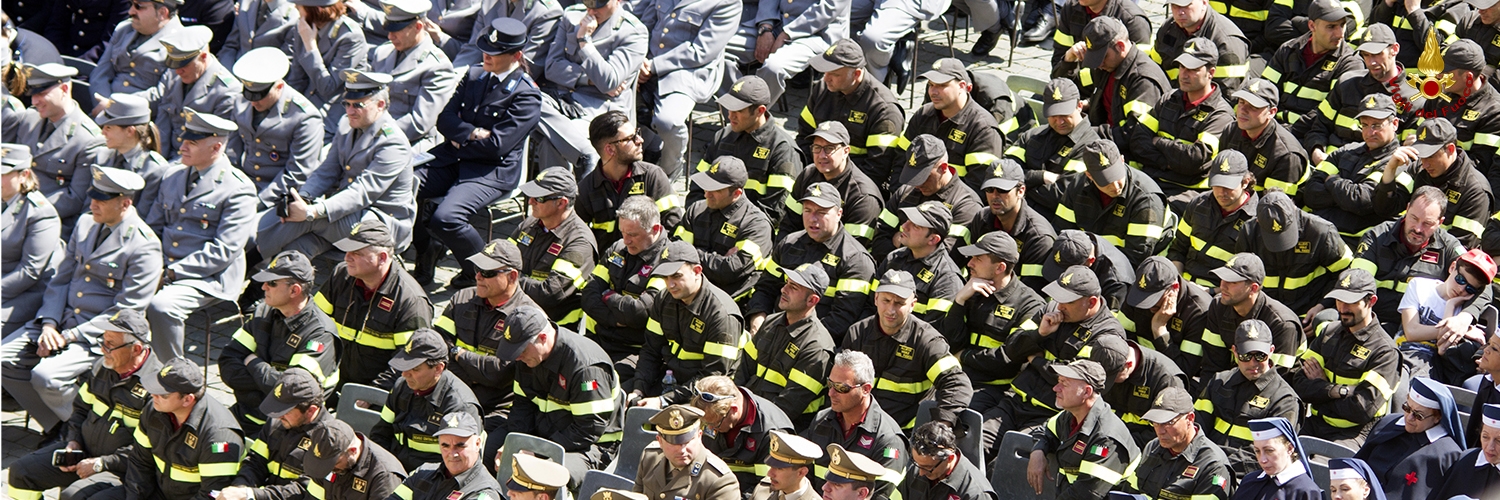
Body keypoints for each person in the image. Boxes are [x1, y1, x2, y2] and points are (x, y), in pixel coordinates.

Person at [0, 166, 161, 440]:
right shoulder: (87, 223)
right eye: (93, 197)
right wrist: (50, 323)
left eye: (102, 200)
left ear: (125, 203)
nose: (93, 204)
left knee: (47, 378)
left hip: (100, 335)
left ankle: (85, 431)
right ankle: (57, 425)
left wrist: (70, 335)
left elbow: (127, 311)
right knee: (4, 360)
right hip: (60, 322)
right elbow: (61, 280)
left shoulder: (144, 246)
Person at [418, 18, 543, 287]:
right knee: (409, 184)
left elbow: (497, 145)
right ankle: (426, 253)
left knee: (447, 218)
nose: (486, 55)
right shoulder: (475, 75)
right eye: (485, 49)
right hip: (455, 158)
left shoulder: (526, 94)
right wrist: (471, 134)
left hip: (489, 170)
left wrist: (459, 139)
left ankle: (483, 270)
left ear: (516, 56)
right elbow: (445, 120)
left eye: (495, 53)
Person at [257, 69, 417, 258]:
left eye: (358, 105)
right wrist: (303, 198)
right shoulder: (346, 124)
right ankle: (265, 284)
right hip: (348, 215)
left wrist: (312, 211)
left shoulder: (392, 142)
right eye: (347, 104)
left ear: (380, 105)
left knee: (306, 220)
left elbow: (362, 192)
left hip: (380, 222)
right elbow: (327, 170)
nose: (350, 111)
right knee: (299, 246)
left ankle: (249, 254)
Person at [3, 310, 160, 500]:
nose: (103, 349)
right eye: (103, 341)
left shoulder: (157, 388)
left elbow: (147, 451)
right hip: (84, 453)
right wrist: (73, 441)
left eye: (110, 345)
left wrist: (101, 464)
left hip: (121, 468)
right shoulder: (103, 366)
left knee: (72, 496)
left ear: (136, 349)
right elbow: (80, 410)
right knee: (21, 473)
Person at [143, 108, 257, 360]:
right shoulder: (173, 175)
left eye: (191, 143)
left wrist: (172, 272)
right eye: (184, 139)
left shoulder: (238, 189)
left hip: (208, 277)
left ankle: (172, 375)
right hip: (165, 267)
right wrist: (148, 265)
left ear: (216, 148)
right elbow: (154, 228)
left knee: (162, 306)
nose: (182, 147)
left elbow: (224, 251)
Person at [492, 305, 625, 484]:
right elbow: (522, 406)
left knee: (542, 475)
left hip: (589, 447)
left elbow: (588, 430)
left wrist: (539, 451)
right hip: (546, 433)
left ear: (543, 337)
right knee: (489, 450)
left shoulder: (585, 368)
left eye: (521, 351)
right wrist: (516, 444)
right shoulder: (529, 357)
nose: (517, 358)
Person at [219, 250, 339, 429]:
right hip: (247, 413)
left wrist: (253, 364)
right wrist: (264, 390)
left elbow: (293, 392)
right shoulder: (263, 312)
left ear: (294, 290)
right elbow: (227, 362)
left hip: (288, 427)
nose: (263, 287)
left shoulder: (319, 334)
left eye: (272, 283)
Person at [95, 357, 244, 500]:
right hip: (157, 491)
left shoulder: (218, 437)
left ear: (187, 399)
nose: (153, 395)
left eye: (163, 394)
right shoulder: (154, 409)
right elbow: (140, 461)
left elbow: (211, 494)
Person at [842, 269, 972, 429]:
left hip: (904, 432)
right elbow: (841, 382)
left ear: (912, 305)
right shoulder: (857, 333)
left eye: (899, 303)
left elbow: (957, 384)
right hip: (858, 425)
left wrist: (941, 425)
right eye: (886, 300)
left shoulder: (927, 341)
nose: (890, 310)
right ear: (876, 298)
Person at [313, 220, 433, 390]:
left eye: (356, 253)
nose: (347, 257)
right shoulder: (341, 275)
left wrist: (369, 395)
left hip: (375, 390)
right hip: (329, 376)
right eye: (348, 251)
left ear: (382, 257)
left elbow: (409, 361)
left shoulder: (410, 301)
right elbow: (314, 324)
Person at [748, 184, 876, 340]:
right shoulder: (789, 243)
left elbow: (841, 320)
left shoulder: (855, 259)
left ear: (839, 214)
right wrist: (758, 321)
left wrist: (792, 339)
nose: (812, 218)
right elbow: (765, 289)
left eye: (821, 212)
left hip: (814, 344)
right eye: (807, 211)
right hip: (773, 332)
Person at [533, 0, 646, 175]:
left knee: (552, 141)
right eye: (588, 3)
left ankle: (557, 197)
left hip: (599, 108)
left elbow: (609, 81)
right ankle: (585, 154)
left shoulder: (633, 32)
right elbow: (551, 67)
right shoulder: (571, 15)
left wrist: (584, 41)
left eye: (599, 4)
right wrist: (589, 79)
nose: (592, 10)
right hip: (563, 98)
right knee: (529, 100)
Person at [1290, 268, 1399, 448]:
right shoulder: (1328, 332)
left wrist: (1320, 390)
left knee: (1324, 468)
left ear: (1371, 301)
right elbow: (1299, 384)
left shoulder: (1385, 351)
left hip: (1354, 434)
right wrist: (1339, 391)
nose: (1342, 308)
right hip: (1314, 424)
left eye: (1351, 302)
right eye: (1339, 299)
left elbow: (1361, 409)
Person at [631, 0, 738, 180]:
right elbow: (645, 26)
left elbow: (701, 51)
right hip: (647, 64)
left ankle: (668, 170)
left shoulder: (727, 3)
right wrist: (638, 60)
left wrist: (654, 65)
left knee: (668, 121)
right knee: (613, 100)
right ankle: (647, 147)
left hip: (688, 71)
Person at [434, 239, 537, 423]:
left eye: (488, 273)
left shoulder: (528, 318)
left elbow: (500, 374)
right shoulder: (461, 298)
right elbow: (437, 347)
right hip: (450, 397)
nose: (478, 277)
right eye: (477, 270)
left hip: (495, 411)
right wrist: (473, 374)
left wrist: (457, 354)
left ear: (512, 276)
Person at [629, 240, 744, 405]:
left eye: (676, 276)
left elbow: (712, 378)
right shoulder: (663, 299)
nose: (670, 284)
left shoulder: (721, 314)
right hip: (671, 379)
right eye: (665, 277)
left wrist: (662, 401)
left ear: (697, 271)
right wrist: (638, 390)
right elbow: (650, 350)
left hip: (709, 395)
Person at [1290, 25, 1420, 162]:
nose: (1371, 62)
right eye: (1366, 55)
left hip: (1371, 173)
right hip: (1327, 163)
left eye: (1377, 54)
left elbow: (1407, 150)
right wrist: (1317, 150)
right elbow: (1319, 126)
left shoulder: (1414, 100)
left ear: (1394, 49)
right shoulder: (1347, 83)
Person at [1126, 38, 1236, 200]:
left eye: (1193, 69)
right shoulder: (1168, 99)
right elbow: (1138, 141)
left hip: (1187, 190)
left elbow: (1194, 160)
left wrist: (1159, 142)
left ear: (1211, 73)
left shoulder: (1220, 115)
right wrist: (1167, 163)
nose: (1184, 74)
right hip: (1153, 177)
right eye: (1182, 66)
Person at [1194, 320, 1303, 477]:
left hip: (1247, 475)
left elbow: (1270, 455)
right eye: (1246, 356)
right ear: (1234, 352)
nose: (1253, 363)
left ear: (1271, 351)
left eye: (1260, 355)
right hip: (1206, 464)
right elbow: (1197, 427)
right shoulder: (1219, 381)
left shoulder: (1285, 399)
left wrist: (1217, 463)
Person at [118, 25, 242, 159]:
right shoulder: (173, 76)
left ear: (203, 57)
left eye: (184, 65)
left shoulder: (226, 91)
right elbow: (163, 124)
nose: (178, 71)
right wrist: (157, 160)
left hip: (195, 162)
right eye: (175, 65)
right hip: (168, 156)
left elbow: (216, 148)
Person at [578, 196, 667, 380]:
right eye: (622, 233)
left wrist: (608, 295)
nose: (626, 241)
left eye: (633, 235)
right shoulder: (617, 249)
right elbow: (588, 295)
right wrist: (615, 319)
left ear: (655, 229)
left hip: (636, 350)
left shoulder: (667, 260)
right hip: (600, 339)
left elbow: (639, 313)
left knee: (600, 381)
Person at [370, 327, 483, 471]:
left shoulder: (460, 406)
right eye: (404, 366)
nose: (405, 374)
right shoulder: (401, 387)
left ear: (438, 368)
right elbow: (381, 434)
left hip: (435, 478)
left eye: (415, 369)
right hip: (397, 468)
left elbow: (460, 464)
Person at [737, 263, 835, 428]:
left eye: (793, 287)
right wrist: (736, 403)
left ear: (812, 300)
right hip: (747, 412)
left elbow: (788, 406)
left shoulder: (817, 347)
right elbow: (743, 370)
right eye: (786, 283)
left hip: (781, 429)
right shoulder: (770, 322)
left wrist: (747, 419)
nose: (783, 289)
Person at [1353, 189, 1466, 332]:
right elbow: (1356, 285)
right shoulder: (1376, 236)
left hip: (1418, 327)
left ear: (1440, 222)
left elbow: (1481, 283)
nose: (1418, 229)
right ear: (1407, 209)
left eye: (1427, 223)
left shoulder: (1449, 247)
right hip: (1371, 318)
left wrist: (1465, 317)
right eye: (1414, 218)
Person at [1026, 359, 1140, 499]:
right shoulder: (1070, 415)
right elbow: (1046, 430)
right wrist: (1037, 452)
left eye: (1064, 384)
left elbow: (1086, 494)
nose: (1055, 388)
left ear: (1086, 392)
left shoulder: (1106, 438)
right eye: (1058, 381)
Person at [1304, 93, 1408, 245]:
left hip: (1357, 242)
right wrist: (1345, 196)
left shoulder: (1397, 162)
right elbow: (1311, 193)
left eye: (1377, 125)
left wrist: (1331, 180)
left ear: (1395, 124)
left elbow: (1361, 201)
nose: (1369, 132)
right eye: (1364, 125)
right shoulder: (1346, 150)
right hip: (1318, 232)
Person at [798, 39, 904, 189]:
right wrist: (810, 178)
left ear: (856, 74)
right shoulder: (823, 88)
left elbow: (877, 168)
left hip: (855, 188)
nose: (826, 78)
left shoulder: (884, 110)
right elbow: (804, 137)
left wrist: (833, 187)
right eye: (825, 71)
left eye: (834, 74)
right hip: (818, 177)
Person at [693, 76, 799, 226]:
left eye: (739, 110)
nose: (730, 115)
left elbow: (774, 211)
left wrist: (728, 227)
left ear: (760, 111)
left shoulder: (782, 149)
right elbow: (697, 189)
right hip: (710, 225)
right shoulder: (722, 136)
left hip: (750, 231)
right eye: (729, 108)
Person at [229, 47, 325, 212]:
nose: (253, 102)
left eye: (260, 95)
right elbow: (231, 151)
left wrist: (258, 203)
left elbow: (297, 174)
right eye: (250, 95)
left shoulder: (305, 118)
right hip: (245, 188)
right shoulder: (242, 103)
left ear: (279, 86)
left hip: (280, 198)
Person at [800, 351, 907, 498]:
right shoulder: (821, 421)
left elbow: (882, 496)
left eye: (841, 388)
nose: (831, 393)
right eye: (830, 384)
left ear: (865, 389)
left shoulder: (888, 439)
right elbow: (805, 477)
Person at [1374, 117, 1493, 249]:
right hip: (1402, 248)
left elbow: (1462, 247)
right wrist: (1390, 170)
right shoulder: (1418, 168)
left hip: (1436, 263)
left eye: (1430, 156)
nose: (1425, 164)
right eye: (1422, 155)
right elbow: (1385, 208)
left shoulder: (1475, 191)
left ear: (1451, 149)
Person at [949, 230, 1046, 393]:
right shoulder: (972, 289)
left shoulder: (1030, 305)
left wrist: (964, 357)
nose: (969, 264)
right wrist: (959, 301)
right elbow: (950, 340)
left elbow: (1007, 359)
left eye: (977, 259)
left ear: (1000, 267)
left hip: (994, 389)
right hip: (957, 378)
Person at [356, 0, 458, 152]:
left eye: (396, 31)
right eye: (388, 30)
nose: (390, 36)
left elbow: (419, 123)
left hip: (410, 143)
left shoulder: (436, 66)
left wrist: (376, 135)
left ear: (418, 27)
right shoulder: (383, 53)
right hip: (373, 134)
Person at [13, 63, 105, 229]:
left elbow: (75, 197)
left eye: (41, 93)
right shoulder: (29, 118)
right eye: (31, 94)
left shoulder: (89, 139)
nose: (34, 101)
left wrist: (26, 211)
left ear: (63, 89)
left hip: (49, 221)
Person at [1238, 189, 1353, 321]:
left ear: (1294, 211)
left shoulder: (1321, 232)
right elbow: (1242, 276)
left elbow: (1346, 273)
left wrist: (1323, 305)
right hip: (1264, 316)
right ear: (1258, 220)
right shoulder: (1248, 232)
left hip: (1308, 315)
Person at [217, 368, 332, 500]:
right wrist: (240, 488)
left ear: (311, 410)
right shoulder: (278, 421)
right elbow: (255, 461)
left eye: (286, 411)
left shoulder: (328, 440)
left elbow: (303, 490)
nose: (278, 416)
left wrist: (252, 494)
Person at [574, 111, 682, 252]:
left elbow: (673, 227)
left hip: (650, 261)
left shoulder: (653, 177)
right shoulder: (585, 190)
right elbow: (577, 238)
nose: (640, 140)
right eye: (630, 138)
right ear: (610, 149)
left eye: (638, 133)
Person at [677, 155, 775, 304]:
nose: (706, 194)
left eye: (715, 190)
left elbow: (731, 271)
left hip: (730, 304)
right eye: (706, 186)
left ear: (736, 193)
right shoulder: (696, 211)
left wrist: (692, 254)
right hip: (689, 296)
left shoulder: (757, 225)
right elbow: (675, 253)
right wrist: (718, 259)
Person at [1053, 140, 1169, 264]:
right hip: (1088, 261)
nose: (1115, 186)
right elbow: (1063, 232)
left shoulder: (1147, 199)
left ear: (1122, 160)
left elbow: (1137, 256)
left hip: (1131, 266)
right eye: (1105, 181)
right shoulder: (1077, 186)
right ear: (1089, 176)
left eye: (1117, 176)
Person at [872, 134, 984, 260]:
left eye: (924, 177)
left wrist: (901, 240)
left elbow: (946, 258)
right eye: (913, 175)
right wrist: (915, 246)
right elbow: (879, 241)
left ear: (943, 168)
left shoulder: (967, 205)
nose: (917, 184)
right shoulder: (905, 191)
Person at [899, 59, 1003, 193]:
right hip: (915, 195)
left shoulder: (983, 129)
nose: (933, 92)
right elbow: (900, 159)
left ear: (962, 86)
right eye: (931, 85)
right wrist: (900, 195)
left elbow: (977, 187)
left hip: (952, 206)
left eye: (942, 85)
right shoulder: (923, 114)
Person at [1353, 377, 1466, 500]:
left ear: (1437, 417)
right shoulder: (1387, 423)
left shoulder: (1447, 455)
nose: (1409, 417)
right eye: (1407, 408)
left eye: (1418, 415)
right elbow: (1356, 467)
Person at [512, 166, 598, 326]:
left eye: (539, 198)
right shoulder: (530, 223)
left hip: (553, 327)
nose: (531, 201)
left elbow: (550, 293)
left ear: (561, 203)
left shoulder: (579, 242)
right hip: (518, 315)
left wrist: (508, 280)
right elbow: (502, 258)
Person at [1396, 249, 1496, 384]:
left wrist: (1451, 305)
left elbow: (1443, 349)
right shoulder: (1420, 285)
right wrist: (1462, 330)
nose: (1461, 289)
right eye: (1460, 279)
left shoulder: (1463, 309)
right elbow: (1412, 332)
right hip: (1404, 352)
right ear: (1452, 267)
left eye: (1470, 289)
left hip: (1433, 366)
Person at [1059, 17, 1169, 134]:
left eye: (1102, 57)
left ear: (1120, 46)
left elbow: (1135, 134)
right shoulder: (1107, 66)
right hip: (1101, 138)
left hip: (1121, 148)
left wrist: (1086, 133)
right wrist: (1069, 60)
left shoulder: (1143, 82)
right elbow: (1069, 87)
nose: (1099, 64)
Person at [1257, 0, 1361, 123]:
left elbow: (1326, 116)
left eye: (1342, 25)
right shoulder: (1288, 49)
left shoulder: (1350, 64)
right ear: (1312, 26)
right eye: (1331, 27)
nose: (1340, 34)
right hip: (1275, 126)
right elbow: (1264, 92)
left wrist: (1288, 132)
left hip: (1308, 134)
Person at [1123, 386, 1236, 499]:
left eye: (1168, 423)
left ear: (1190, 418)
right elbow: (1130, 493)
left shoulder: (1212, 465)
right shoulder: (1153, 447)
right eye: (1155, 423)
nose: (1160, 431)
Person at [781, 121, 885, 244]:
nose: (821, 155)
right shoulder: (807, 174)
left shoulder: (863, 197)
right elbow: (788, 223)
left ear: (846, 151)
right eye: (817, 148)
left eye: (829, 149)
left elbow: (850, 249)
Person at [692, 375, 796, 494]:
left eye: (716, 423)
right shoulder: (714, 414)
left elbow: (768, 488)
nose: (709, 428)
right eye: (705, 423)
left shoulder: (772, 434)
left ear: (734, 410)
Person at [1005, 78, 1098, 211]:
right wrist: (1040, 176)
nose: (1059, 121)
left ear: (1079, 106)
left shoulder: (1090, 147)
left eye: (1064, 114)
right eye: (1053, 115)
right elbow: (1005, 170)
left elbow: (1061, 195)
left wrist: (1016, 189)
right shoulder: (1033, 135)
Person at [1170, 151, 1259, 288]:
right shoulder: (1198, 204)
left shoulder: (1255, 222)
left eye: (1228, 186)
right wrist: (1177, 282)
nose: (1221, 192)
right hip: (1183, 285)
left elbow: (1247, 281)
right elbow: (1178, 249)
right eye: (1217, 184)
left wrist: (1211, 292)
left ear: (1245, 182)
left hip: (1220, 296)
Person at [0, 144, 62, 337]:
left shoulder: (40, 213)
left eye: (3, 173)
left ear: (24, 174)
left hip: (25, 294)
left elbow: (29, 271)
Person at [869, 201, 963, 325]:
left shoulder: (947, 278)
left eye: (916, 226)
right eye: (908, 220)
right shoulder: (894, 257)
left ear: (933, 239)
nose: (904, 226)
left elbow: (934, 331)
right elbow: (870, 304)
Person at [972, 158, 1056, 291]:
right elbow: (972, 265)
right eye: (989, 189)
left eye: (1002, 190)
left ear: (1021, 191)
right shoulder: (981, 218)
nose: (994, 195)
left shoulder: (1039, 237)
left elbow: (1030, 290)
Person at [745, 0, 848, 106]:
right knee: (727, 49)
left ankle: (752, 117)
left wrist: (787, 33)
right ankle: (730, 112)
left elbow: (829, 7)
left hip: (816, 33)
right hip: (777, 24)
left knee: (773, 67)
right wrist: (766, 26)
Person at [1218, 79, 1308, 196]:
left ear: (1271, 112)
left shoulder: (1286, 155)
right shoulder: (1230, 130)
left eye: (1253, 107)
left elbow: (1274, 205)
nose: (1243, 110)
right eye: (1241, 102)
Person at [1119, 256, 1213, 369]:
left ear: (1175, 287)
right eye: (1143, 296)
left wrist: (1160, 331)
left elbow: (1184, 369)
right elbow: (1120, 337)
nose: (1146, 304)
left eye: (1154, 298)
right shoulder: (1138, 293)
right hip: (1137, 367)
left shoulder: (1199, 312)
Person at [634, 405, 742, 500]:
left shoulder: (719, 480)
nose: (682, 450)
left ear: (699, 436)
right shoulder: (650, 457)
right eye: (674, 444)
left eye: (687, 442)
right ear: (660, 441)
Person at [389, 412, 503, 500]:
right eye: (445, 445)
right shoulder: (422, 472)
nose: (452, 454)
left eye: (460, 445)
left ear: (478, 444)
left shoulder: (484, 493)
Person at [283, 0, 369, 113]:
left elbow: (327, 87)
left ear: (316, 9)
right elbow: (297, 77)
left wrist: (311, 47)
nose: (296, 8)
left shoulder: (350, 36)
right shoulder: (304, 26)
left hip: (334, 109)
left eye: (300, 7)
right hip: (307, 101)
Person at [1148, 0, 1249, 91]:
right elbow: (1154, 68)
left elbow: (1227, 94)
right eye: (1174, 5)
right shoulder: (1168, 28)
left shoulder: (1227, 42)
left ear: (1204, 3)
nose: (1180, 12)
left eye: (1186, 5)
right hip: (1172, 98)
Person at [92, 93, 169, 214]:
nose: (103, 133)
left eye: (109, 128)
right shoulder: (102, 156)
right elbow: (89, 206)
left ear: (129, 131)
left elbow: (142, 215)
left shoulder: (154, 170)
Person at [89, 0, 184, 94]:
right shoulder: (124, 29)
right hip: (104, 102)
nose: (131, 11)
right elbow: (100, 75)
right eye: (131, 5)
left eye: (138, 6)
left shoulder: (180, 44)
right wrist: (103, 102)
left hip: (142, 107)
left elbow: (165, 95)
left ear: (162, 13)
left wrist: (115, 106)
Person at [301, 418, 407, 500]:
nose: (328, 469)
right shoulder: (325, 461)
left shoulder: (384, 476)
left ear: (352, 451)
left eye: (334, 463)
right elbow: (313, 496)